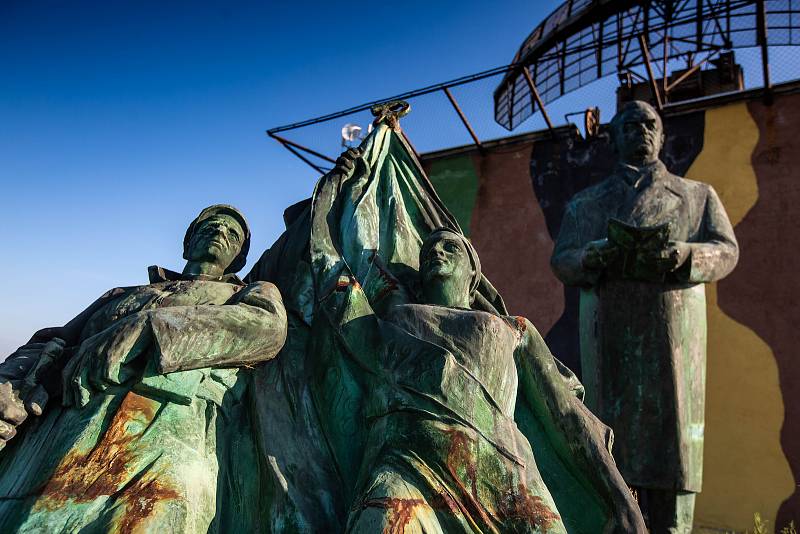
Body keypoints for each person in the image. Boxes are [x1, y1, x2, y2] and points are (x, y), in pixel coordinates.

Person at [310, 122, 645, 533]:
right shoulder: (391, 320)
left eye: (451, 246)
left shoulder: (512, 328)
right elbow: (330, 269)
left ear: (473, 274)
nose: (437, 251)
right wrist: (331, 193)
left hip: (502, 475)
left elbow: (567, 417)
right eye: (429, 249)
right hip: (405, 465)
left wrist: (621, 500)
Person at [0, 204, 287, 533]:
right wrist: (8, 379)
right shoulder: (121, 294)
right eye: (208, 228)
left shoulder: (247, 293)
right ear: (186, 243)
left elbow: (267, 329)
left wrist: (151, 326)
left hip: (166, 430)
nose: (219, 233)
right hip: (63, 426)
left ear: (239, 259)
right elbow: (54, 340)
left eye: (231, 234)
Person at [551, 100, 739, 533]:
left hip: (673, 334)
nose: (642, 131)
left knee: (675, 447)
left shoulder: (696, 195)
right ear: (614, 138)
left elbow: (727, 251)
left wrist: (686, 254)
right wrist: (593, 254)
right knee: (615, 442)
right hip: (610, 333)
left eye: (650, 124)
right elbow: (563, 260)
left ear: (663, 134)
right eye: (631, 125)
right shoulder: (587, 202)